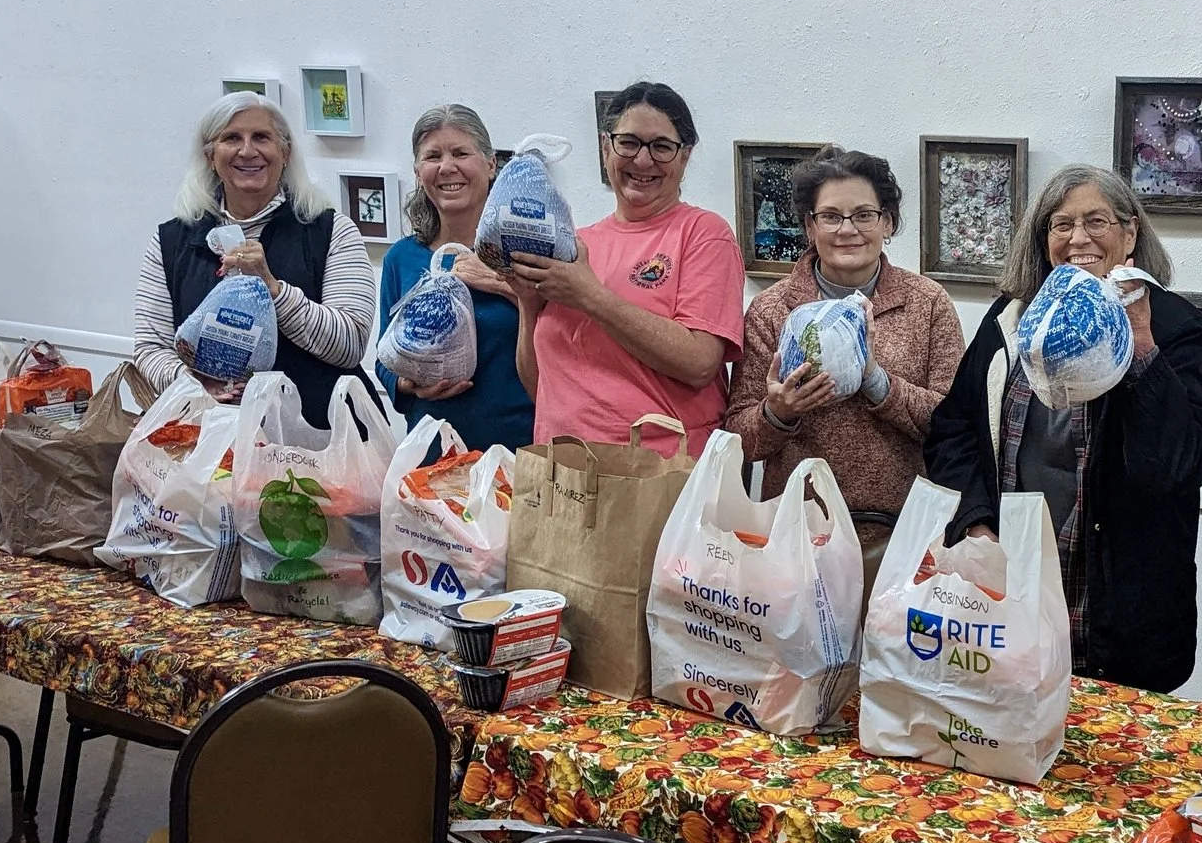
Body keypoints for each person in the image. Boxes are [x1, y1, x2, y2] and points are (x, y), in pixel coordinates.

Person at [923, 165, 1202, 693]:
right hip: (1008, 597)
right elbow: (953, 431)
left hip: (1116, 615)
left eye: (1096, 222)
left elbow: (1180, 467)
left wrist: (1141, 346)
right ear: (1044, 240)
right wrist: (975, 520)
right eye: (1061, 225)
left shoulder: (1174, 326)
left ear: (1130, 234)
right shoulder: (1010, 321)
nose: (1078, 238)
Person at [724, 147, 963, 567]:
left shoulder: (927, 303)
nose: (847, 229)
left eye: (864, 215)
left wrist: (876, 381)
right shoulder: (772, 309)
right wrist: (778, 412)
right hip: (798, 536)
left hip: (901, 539)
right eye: (831, 216)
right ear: (809, 225)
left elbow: (954, 423)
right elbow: (738, 439)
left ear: (887, 222)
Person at [510, 82, 741, 455]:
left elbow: (699, 363)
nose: (643, 161)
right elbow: (542, 386)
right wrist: (527, 304)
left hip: (657, 476)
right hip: (564, 472)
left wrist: (589, 296)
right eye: (628, 143)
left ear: (685, 157)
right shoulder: (573, 242)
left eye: (662, 147)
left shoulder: (703, 234)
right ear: (606, 148)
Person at [132, 92, 376, 429]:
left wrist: (272, 290)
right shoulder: (171, 241)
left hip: (321, 445)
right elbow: (149, 347)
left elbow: (348, 345)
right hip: (212, 444)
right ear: (210, 156)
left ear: (285, 153)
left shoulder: (332, 231)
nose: (248, 151)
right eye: (232, 138)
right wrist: (193, 383)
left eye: (262, 137)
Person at [373, 104, 535, 450]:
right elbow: (384, 358)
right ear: (418, 172)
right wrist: (406, 384)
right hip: (432, 452)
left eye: (461, 153)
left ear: (491, 165)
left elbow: (566, 345)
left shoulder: (528, 254)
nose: (447, 167)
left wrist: (510, 289)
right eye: (432, 157)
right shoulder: (402, 258)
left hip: (519, 451)